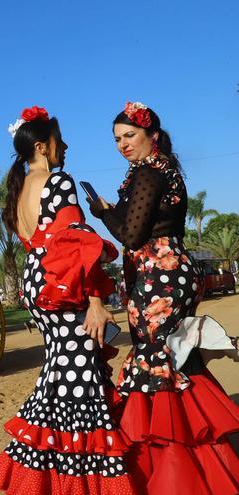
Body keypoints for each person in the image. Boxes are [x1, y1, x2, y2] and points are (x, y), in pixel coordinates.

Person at [89, 102, 239, 494]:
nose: (122, 144)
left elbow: (133, 235)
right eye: (117, 139)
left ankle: (178, 475)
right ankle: (208, 464)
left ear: (151, 135)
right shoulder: (160, 168)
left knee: (161, 366)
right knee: (179, 361)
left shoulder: (149, 171)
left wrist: (104, 214)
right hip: (167, 273)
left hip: (160, 277)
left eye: (130, 136)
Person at [0, 107, 136, 494]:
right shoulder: (58, 181)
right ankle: (81, 481)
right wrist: (97, 300)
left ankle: (42, 474)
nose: (65, 146)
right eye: (59, 140)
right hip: (63, 285)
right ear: (42, 146)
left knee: (62, 371)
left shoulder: (19, 188)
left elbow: (42, 244)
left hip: (39, 285)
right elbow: (75, 242)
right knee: (79, 378)